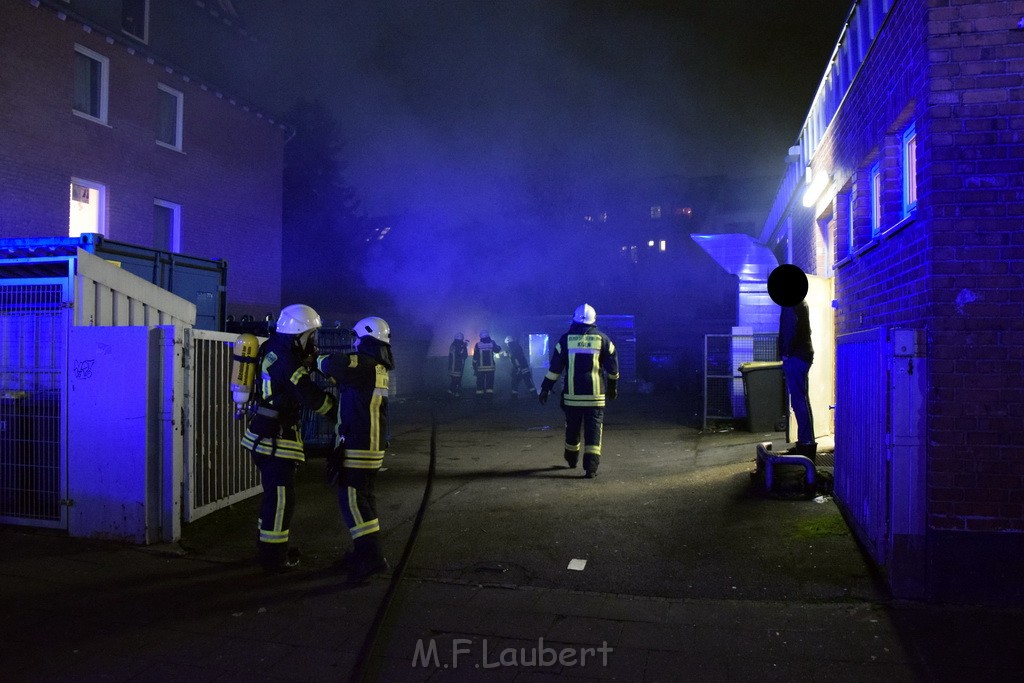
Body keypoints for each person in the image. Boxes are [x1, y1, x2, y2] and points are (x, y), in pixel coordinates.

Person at [241, 304, 336, 573]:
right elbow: (309, 395)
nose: (313, 341)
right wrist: (339, 412)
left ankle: (265, 549)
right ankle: (274, 558)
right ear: (298, 333)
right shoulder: (287, 359)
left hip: (263, 431)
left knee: (273, 496)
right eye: (311, 336)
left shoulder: (274, 348)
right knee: (281, 499)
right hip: (276, 438)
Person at [316, 316, 395, 583]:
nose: (355, 343)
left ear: (366, 338)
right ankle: (364, 554)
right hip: (371, 444)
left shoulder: (362, 362)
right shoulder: (378, 368)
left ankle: (372, 559)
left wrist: (314, 358)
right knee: (364, 500)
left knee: (353, 501)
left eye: (357, 339)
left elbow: (332, 364)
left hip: (359, 445)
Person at [538, 304, 619, 478]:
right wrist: (613, 387)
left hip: (572, 397)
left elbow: (555, 369)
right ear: (594, 320)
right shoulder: (603, 339)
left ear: (574, 318)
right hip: (595, 397)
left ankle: (571, 459)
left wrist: (545, 388)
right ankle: (591, 468)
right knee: (594, 431)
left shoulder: (565, 340)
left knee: (572, 429)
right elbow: (613, 368)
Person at [779, 299, 816, 459]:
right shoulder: (802, 303)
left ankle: (806, 443)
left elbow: (789, 330)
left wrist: (786, 354)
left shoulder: (790, 304)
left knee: (798, 401)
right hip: (804, 354)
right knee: (802, 400)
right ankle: (806, 442)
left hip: (795, 356)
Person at [472, 330, 501, 400]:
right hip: (490, 368)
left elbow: (475, 356)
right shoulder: (492, 343)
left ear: (481, 337)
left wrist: (474, 364)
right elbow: (498, 350)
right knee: (490, 382)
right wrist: (497, 345)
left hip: (480, 368)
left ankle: (479, 397)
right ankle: (489, 397)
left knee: (480, 382)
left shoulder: (477, 344)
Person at [447, 332, 469, 397]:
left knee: (453, 380)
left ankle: (451, 391)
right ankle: (456, 393)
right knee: (457, 380)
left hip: (451, 367)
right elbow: (464, 355)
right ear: (462, 338)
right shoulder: (461, 345)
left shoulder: (452, 345)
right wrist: (465, 347)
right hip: (458, 366)